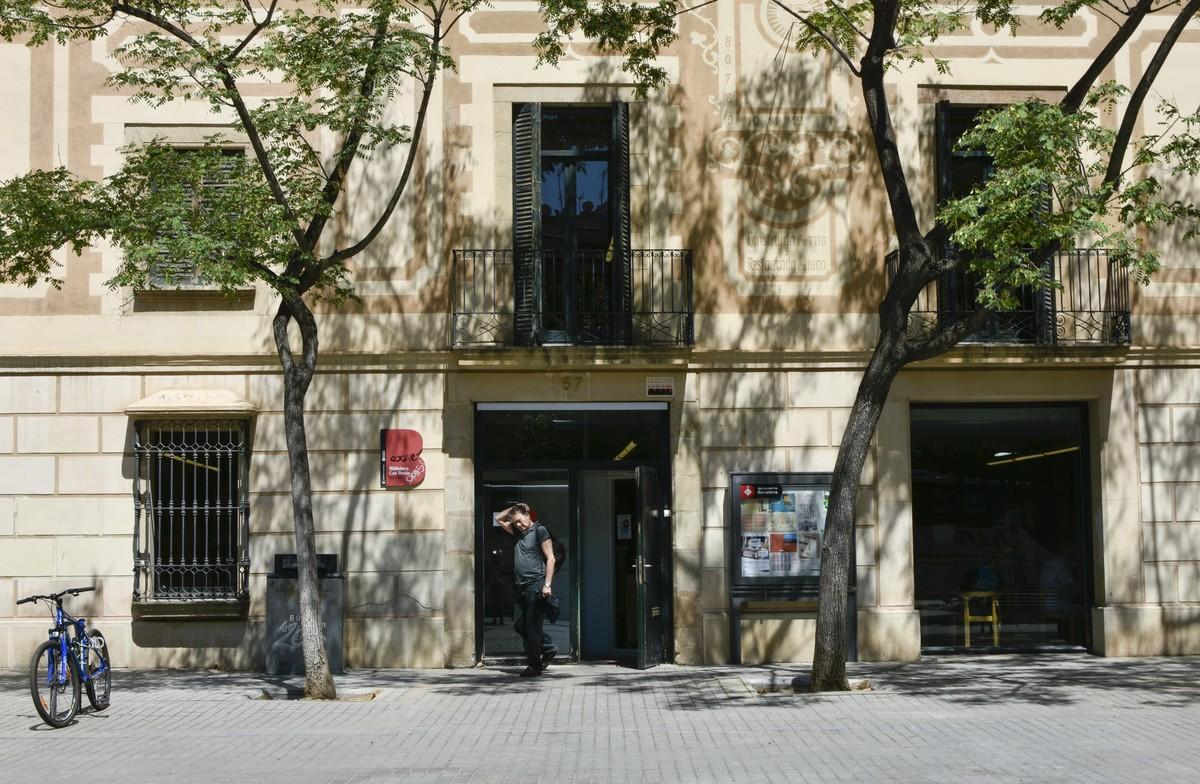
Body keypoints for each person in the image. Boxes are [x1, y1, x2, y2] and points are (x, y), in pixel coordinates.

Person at [494, 502, 558, 677]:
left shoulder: (540, 531)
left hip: (536, 584)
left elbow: (551, 558)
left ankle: (534, 666)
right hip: (521, 587)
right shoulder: (517, 532)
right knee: (520, 625)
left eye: (521, 521)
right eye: (515, 522)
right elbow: (499, 518)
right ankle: (548, 647)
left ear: (528, 514)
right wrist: (514, 508)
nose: (519, 525)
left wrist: (547, 585)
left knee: (532, 627)